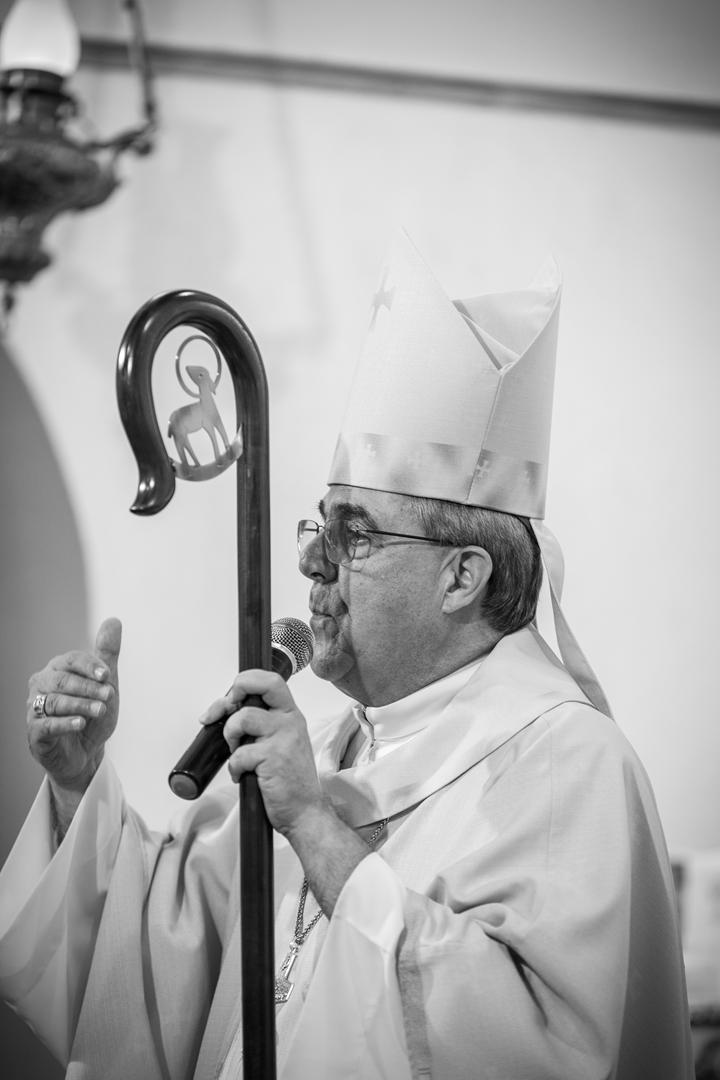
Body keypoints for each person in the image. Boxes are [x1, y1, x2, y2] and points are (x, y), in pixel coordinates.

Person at [0, 233, 693, 1079]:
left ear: (462, 576)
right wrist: (77, 782)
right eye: (318, 524)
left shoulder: (569, 768)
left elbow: (532, 1050)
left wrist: (315, 829)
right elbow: (161, 964)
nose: (309, 561)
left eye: (354, 533)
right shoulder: (330, 751)